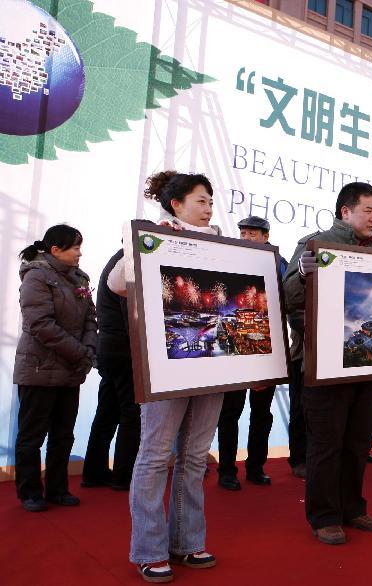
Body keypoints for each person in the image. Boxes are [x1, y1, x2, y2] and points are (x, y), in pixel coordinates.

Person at [109, 171, 223, 582]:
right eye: (200, 201)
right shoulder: (155, 235)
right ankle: (148, 548)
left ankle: (188, 542)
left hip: (214, 365)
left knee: (194, 456)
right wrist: (146, 247)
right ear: (176, 204)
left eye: (210, 201)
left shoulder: (222, 244)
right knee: (156, 455)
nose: (209, 208)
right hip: (166, 364)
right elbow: (117, 282)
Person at [283, 182, 372, 544]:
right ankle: (324, 516)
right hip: (323, 365)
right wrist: (301, 274)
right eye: (367, 210)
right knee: (326, 443)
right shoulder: (315, 244)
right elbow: (288, 301)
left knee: (358, 440)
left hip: (365, 363)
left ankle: (353, 508)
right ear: (345, 211)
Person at [14, 225, 97, 513]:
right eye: (74, 247)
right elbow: (40, 325)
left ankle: (58, 489)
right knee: (32, 435)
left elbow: (90, 319)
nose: (79, 252)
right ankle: (30, 492)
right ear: (55, 250)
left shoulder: (80, 278)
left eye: (80, 246)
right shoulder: (36, 276)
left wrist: (89, 349)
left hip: (70, 371)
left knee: (63, 434)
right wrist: (81, 353)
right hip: (38, 369)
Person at [216, 216, 285, 490]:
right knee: (229, 413)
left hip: (265, 352)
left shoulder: (279, 264)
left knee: (261, 414)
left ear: (265, 237)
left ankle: (256, 466)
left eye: (252, 234)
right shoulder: (227, 261)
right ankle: (226, 470)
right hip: (234, 354)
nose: (245, 237)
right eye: (242, 232)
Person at [80, 247, 142, 491]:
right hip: (124, 351)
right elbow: (131, 318)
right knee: (130, 414)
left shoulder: (115, 260)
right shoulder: (125, 264)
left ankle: (93, 473)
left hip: (109, 350)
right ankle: (123, 476)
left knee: (107, 413)